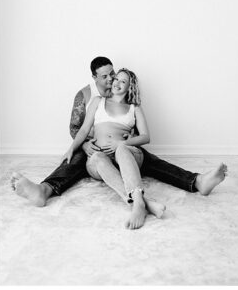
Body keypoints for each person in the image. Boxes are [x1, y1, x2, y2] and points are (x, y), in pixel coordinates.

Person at [11, 57, 227, 207]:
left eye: (113, 75)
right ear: (94, 78)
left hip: (122, 148)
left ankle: (196, 181)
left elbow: (136, 130)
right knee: (74, 160)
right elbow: (77, 128)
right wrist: (83, 144)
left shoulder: (128, 103)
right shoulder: (86, 96)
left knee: (150, 160)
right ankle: (44, 190)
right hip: (93, 148)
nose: (110, 80)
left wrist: (128, 140)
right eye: (105, 77)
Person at [61, 68, 164, 229]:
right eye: (116, 79)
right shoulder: (98, 101)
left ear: (130, 87)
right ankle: (144, 203)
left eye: (123, 81)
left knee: (122, 149)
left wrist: (121, 144)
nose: (117, 83)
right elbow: (83, 130)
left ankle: (137, 203)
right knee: (97, 158)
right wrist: (71, 149)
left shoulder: (134, 107)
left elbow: (145, 136)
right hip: (100, 161)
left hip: (128, 156)